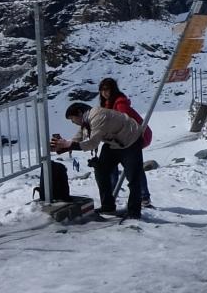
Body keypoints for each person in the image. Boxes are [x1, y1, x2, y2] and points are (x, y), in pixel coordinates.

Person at [50, 102, 145, 219]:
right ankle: (107, 206)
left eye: (72, 119)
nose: (73, 122)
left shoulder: (98, 116)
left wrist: (68, 145)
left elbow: (92, 143)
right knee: (101, 171)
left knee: (133, 178)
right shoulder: (86, 121)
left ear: (79, 113)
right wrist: (62, 147)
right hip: (113, 143)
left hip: (131, 142)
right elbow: (78, 138)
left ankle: (134, 212)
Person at [98, 77, 152, 207]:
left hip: (132, 138)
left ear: (113, 89)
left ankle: (143, 197)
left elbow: (126, 123)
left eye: (107, 89)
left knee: (134, 169)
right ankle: (112, 195)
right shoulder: (107, 104)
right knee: (114, 168)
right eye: (102, 90)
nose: (104, 92)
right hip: (118, 140)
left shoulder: (120, 104)